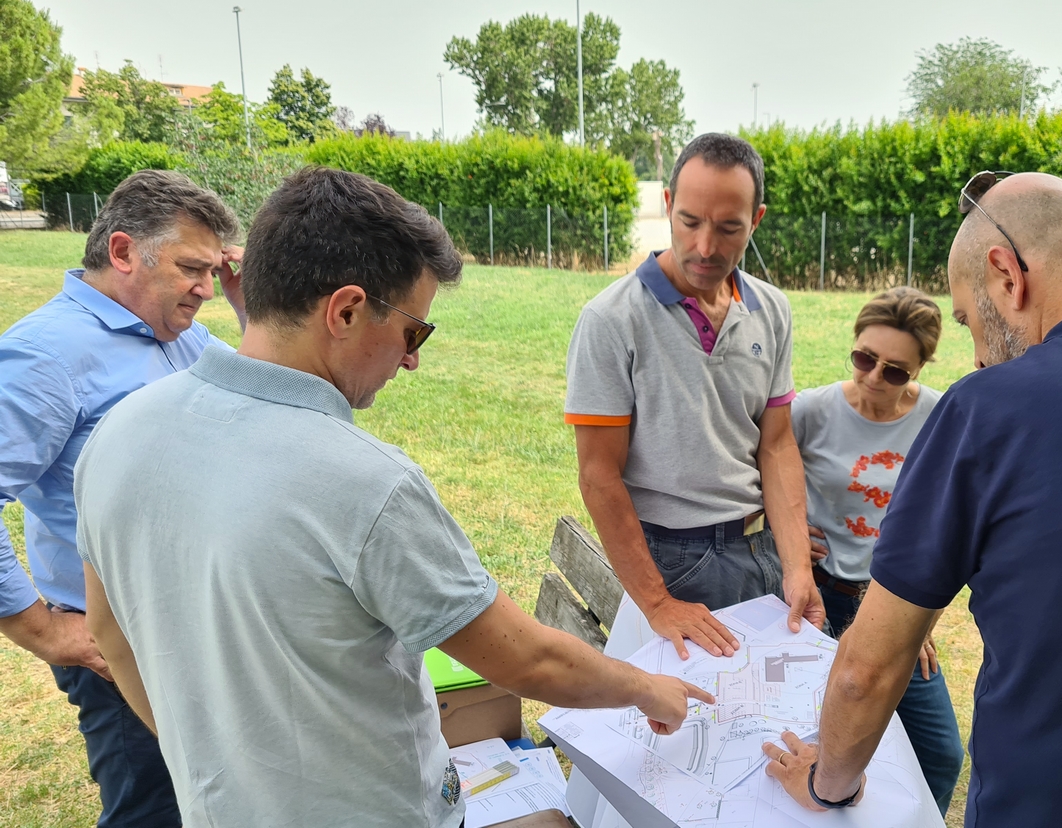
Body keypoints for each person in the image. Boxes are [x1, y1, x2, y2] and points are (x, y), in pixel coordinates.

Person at [75, 167, 712, 828]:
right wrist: (647, 690)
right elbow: (528, 659)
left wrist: (199, 760)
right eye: (414, 332)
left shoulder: (118, 433)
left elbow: (108, 630)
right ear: (346, 311)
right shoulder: (365, 483)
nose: (411, 360)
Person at [761, 171, 1062, 826]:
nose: (977, 358)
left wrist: (827, 788)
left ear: (1007, 275)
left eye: (968, 319)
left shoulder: (992, 407)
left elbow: (866, 671)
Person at [0, 170, 243, 827]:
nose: (205, 288)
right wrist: (44, 632)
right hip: (118, 645)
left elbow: (257, 401)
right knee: (152, 811)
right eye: (192, 268)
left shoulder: (182, 335)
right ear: (123, 252)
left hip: (199, 621)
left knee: (215, 793)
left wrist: (254, 309)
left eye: (213, 269)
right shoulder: (43, 355)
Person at [565, 132, 822, 662]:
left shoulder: (772, 310)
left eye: (729, 228)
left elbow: (775, 447)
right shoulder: (612, 319)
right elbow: (598, 475)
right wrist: (658, 603)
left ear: (757, 220)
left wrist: (797, 568)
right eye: (689, 221)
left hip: (761, 547)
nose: (706, 247)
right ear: (667, 206)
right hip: (673, 559)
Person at [791, 286, 962, 815]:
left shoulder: (939, 415)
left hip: (892, 606)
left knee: (940, 754)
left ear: (920, 369)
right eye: (865, 358)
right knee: (812, 742)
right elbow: (762, 484)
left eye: (894, 371)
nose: (873, 376)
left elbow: (951, 520)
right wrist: (792, 534)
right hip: (820, 597)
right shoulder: (811, 411)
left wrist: (922, 620)